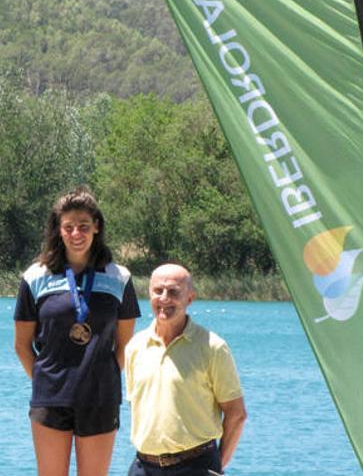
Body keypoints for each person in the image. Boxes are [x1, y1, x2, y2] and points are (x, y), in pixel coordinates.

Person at [14, 186, 140, 476]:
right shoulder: (35, 277)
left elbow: (125, 347)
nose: (76, 234)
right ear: (58, 230)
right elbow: (22, 346)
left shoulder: (119, 277)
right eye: (68, 227)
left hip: (100, 397)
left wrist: (100, 377)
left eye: (83, 226)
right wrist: (48, 381)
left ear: (96, 227)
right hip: (50, 398)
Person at [125, 263, 247, 476]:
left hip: (196, 466)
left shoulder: (212, 347)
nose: (164, 298)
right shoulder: (135, 346)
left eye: (173, 292)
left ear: (190, 298)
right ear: (149, 294)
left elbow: (236, 415)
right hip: (143, 467)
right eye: (158, 291)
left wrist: (216, 467)